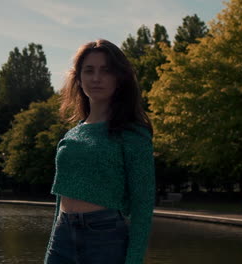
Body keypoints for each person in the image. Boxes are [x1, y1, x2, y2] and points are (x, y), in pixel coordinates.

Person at [44, 39, 155, 264]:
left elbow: (143, 206)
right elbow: (61, 201)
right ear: (79, 78)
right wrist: (50, 252)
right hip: (62, 236)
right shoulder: (71, 135)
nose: (96, 78)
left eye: (106, 71)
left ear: (119, 78)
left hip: (105, 240)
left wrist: (133, 260)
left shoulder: (133, 134)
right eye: (89, 71)